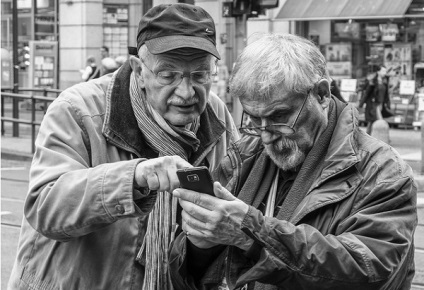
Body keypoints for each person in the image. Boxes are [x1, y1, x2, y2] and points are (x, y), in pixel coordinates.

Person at [8, 3, 239, 290]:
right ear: (139, 71)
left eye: (200, 75)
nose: (187, 92)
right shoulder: (78, 110)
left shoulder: (216, 115)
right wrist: (134, 177)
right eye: (168, 76)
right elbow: (45, 206)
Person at [169, 33, 417, 290]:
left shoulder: (383, 172)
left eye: (279, 116)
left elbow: (366, 268)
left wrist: (253, 232)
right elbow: (189, 271)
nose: (265, 135)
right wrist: (199, 245)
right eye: (254, 119)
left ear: (321, 94)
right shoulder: (244, 155)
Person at [359, 65, 390, 135]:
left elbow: (386, 94)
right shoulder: (373, 82)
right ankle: (383, 137)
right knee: (379, 120)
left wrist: (387, 103)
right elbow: (367, 93)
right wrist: (361, 104)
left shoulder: (385, 81)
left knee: (372, 121)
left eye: (385, 71)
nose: (385, 73)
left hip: (381, 104)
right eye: (383, 71)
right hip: (374, 104)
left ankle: (367, 136)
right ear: (378, 72)